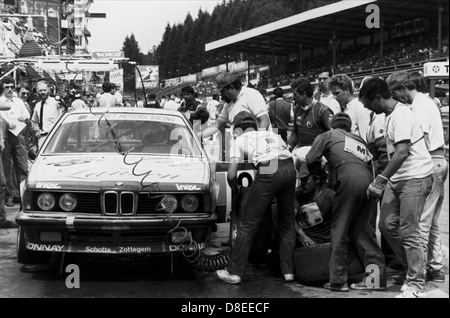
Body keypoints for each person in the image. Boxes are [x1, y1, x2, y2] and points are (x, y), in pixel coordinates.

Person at [360, 77, 433, 298]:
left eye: (367, 103)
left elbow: (402, 152)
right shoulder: (389, 115)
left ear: (379, 98)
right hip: (399, 177)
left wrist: (380, 180)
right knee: (387, 225)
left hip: (415, 176)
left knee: (409, 231)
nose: (366, 108)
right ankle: (413, 268)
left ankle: (416, 285)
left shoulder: (401, 115)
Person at [306, 112, 386, 292]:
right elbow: (371, 165)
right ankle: (376, 279)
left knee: (339, 230)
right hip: (369, 183)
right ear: (349, 128)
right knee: (365, 232)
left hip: (348, 182)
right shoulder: (359, 140)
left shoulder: (327, 135)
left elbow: (311, 159)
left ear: (332, 125)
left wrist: (320, 176)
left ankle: (338, 280)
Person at [215, 111, 296, 284]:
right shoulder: (270, 134)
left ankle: (234, 272)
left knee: (247, 224)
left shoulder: (238, 140)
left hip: (268, 168)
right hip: (289, 167)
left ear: (236, 130)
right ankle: (288, 271)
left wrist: (235, 190)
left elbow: (231, 175)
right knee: (287, 222)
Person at [387, 70, 448, 284]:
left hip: (430, 161)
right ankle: (436, 268)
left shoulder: (420, 105)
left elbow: (420, 137)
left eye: (396, 93)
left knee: (420, 222)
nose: (396, 99)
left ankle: (417, 274)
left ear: (403, 88)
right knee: (431, 222)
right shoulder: (426, 101)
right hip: (438, 159)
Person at [201, 72, 270, 139]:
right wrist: (199, 136)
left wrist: (259, 141)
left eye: (222, 91)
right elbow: (217, 124)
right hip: (241, 145)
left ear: (231, 87)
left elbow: (264, 120)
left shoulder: (250, 94)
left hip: (257, 145)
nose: (221, 95)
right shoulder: (228, 104)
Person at [0, 77, 30, 208]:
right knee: (6, 168)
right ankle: (9, 196)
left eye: (11, 86)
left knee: (22, 167)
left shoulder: (18, 101)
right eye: (7, 87)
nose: (9, 89)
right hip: (5, 137)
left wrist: (25, 117)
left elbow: (27, 116)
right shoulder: (0, 101)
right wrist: (7, 123)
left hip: (19, 136)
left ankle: (24, 196)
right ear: (2, 88)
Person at [287, 77, 333, 164]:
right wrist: (289, 146)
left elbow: (333, 134)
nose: (293, 98)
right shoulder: (297, 109)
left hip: (318, 158)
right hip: (302, 155)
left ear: (304, 93)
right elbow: (296, 131)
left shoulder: (322, 110)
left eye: (295, 94)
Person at [294, 162, 334, 247]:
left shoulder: (330, 196)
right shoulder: (298, 195)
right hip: (304, 241)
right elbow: (290, 219)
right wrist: (303, 236)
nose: (302, 183)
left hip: (325, 242)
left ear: (317, 179)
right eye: (301, 180)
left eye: (305, 180)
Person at [329, 74, 370, 142]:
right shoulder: (345, 108)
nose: (335, 97)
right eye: (333, 94)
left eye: (337, 93)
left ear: (347, 90)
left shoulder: (359, 108)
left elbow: (365, 138)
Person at [31, 81, 65, 147]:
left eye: (44, 90)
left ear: (48, 90)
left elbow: (64, 111)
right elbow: (34, 121)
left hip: (55, 136)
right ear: (37, 92)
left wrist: (62, 103)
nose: (43, 92)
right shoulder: (37, 106)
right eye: (40, 90)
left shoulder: (56, 102)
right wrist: (36, 131)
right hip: (42, 138)